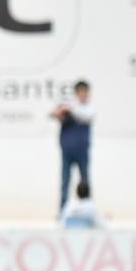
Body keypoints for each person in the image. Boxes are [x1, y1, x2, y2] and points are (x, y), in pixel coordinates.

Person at [52, 79, 95, 213]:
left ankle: (88, 212)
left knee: (85, 182)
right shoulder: (69, 108)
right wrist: (61, 112)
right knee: (65, 182)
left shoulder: (89, 108)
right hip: (67, 151)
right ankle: (62, 212)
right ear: (76, 93)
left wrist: (70, 109)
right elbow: (55, 115)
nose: (83, 95)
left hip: (82, 150)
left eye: (85, 92)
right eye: (80, 92)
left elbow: (86, 116)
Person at [59, 180, 104, 271]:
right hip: (84, 245)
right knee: (81, 267)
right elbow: (101, 225)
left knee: (74, 267)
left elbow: (62, 223)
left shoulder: (69, 205)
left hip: (69, 243)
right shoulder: (91, 207)